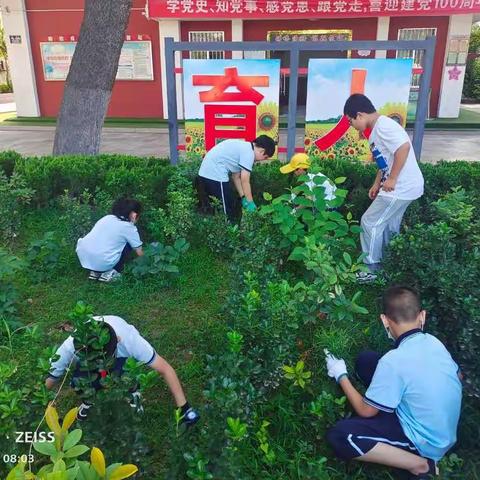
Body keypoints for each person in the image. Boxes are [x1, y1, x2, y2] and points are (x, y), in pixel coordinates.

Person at [324, 286, 462, 479]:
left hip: (425, 441)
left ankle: (421, 465)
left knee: (341, 435)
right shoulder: (433, 342)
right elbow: (458, 377)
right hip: (440, 425)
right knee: (367, 360)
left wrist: (340, 375)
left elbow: (365, 411)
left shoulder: (393, 361)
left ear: (384, 320)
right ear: (422, 316)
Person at [45, 314, 200, 426]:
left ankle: (133, 392)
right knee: (79, 382)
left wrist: (185, 408)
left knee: (123, 372)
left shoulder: (130, 340)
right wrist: (47, 414)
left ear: (117, 340)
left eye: (106, 359)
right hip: (88, 369)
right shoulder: (71, 346)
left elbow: (165, 368)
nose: (103, 365)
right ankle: (88, 401)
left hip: (122, 361)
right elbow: (50, 379)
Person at [343, 94, 424, 283]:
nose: (351, 125)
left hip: (400, 188)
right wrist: (377, 182)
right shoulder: (376, 130)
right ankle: (390, 264)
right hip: (404, 187)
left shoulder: (385, 126)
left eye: (350, 120)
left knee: (369, 222)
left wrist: (393, 179)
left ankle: (371, 269)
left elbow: (402, 148)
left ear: (360, 115)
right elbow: (384, 160)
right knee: (388, 225)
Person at [197, 135, 276, 220]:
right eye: (265, 157)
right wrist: (250, 202)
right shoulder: (249, 153)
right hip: (215, 175)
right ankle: (228, 230)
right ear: (262, 151)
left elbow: (236, 177)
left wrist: (243, 197)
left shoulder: (243, 148)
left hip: (205, 174)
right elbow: (245, 180)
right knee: (225, 211)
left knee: (212, 209)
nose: (262, 160)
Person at [76, 198, 144, 282]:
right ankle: (111, 272)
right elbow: (139, 252)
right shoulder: (129, 227)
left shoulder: (107, 218)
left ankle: (95, 272)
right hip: (103, 261)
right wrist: (147, 263)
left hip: (84, 256)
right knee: (129, 244)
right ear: (134, 215)